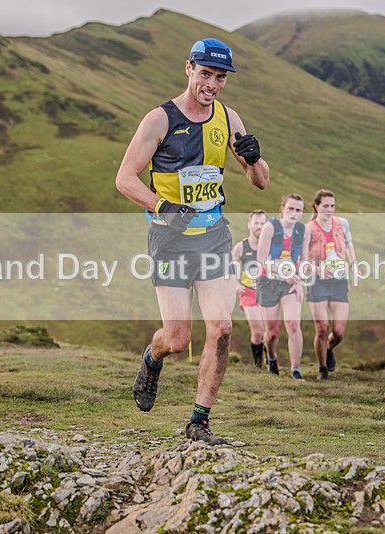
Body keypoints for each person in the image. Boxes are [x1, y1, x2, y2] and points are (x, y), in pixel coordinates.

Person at [116, 38, 269, 445]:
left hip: (215, 237)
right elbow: (125, 178)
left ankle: (199, 423)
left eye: (220, 77)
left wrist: (254, 159)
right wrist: (163, 207)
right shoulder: (159, 120)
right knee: (179, 338)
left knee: (220, 327)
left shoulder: (228, 117)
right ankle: (153, 357)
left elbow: (261, 182)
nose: (213, 84)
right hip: (172, 240)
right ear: (189, 69)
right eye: (206, 74)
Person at [256, 194, 310, 379]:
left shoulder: (303, 231)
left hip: (291, 283)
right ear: (283, 208)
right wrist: (283, 272)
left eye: (298, 210)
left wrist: (300, 282)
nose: (294, 213)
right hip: (268, 281)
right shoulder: (270, 227)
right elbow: (261, 260)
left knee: (293, 324)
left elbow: (304, 260)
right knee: (272, 332)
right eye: (291, 209)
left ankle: (296, 370)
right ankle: (271, 357)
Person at [306, 189, 356, 381]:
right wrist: (317, 270)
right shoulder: (308, 229)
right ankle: (322, 369)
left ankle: (328, 348)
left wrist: (354, 264)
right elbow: (301, 258)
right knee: (322, 328)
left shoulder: (342, 223)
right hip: (316, 281)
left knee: (339, 332)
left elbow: (349, 244)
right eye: (325, 206)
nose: (329, 209)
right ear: (317, 206)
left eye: (332, 206)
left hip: (338, 280)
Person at [232, 209, 267, 367]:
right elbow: (230, 268)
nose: (259, 226)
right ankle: (258, 365)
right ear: (249, 224)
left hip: (267, 292)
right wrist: (237, 284)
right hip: (248, 292)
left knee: (269, 332)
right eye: (256, 223)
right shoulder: (241, 247)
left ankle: (270, 363)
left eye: (262, 223)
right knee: (258, 331)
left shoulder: (270, 246)